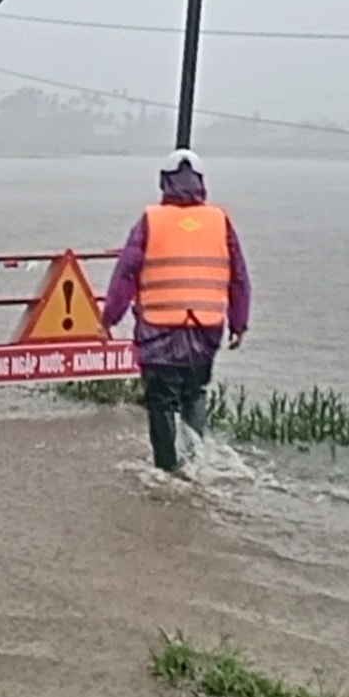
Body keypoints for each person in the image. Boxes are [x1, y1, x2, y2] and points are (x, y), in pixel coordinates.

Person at [100, 149, 251, 474]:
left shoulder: (150, 220)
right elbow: (239, 276)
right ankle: (197, 462)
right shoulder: (219, 222)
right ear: (200, 183)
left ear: (164, 182)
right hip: (206, 329)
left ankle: (167, 471)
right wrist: (239, 323)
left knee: (161, 401)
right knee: (194, 393)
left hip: (159, 329)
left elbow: (126, 272)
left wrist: (109, 318)